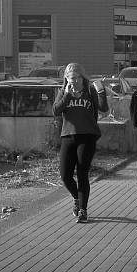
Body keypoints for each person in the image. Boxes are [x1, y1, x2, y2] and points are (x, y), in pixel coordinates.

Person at [52, 62, 108, 224]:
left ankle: (83, 210)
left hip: (87, 136)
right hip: (68, 136)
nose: (73, 81)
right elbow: (55, 111)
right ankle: (77, 198)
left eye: (76, 78)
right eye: (70, 79)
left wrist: (101, 91)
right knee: (65, 175)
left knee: (82, 172)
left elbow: (104, 108)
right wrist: (67, 95)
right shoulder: (64, 91)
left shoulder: (89, 90)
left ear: (82, 78)